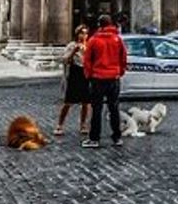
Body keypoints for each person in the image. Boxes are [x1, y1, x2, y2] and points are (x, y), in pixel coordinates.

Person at [83, 14, 127, 149]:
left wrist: (89, 75)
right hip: (113, 78)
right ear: (110, 24)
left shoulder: (94, 40)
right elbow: (123, 58)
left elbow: (87, 60)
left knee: (97, 109)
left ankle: (94, 138)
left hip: (98, 78)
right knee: (114, 108)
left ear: (99, 25)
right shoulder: (117, 39)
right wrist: (119, 72)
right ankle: (117, 137)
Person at [54, 25, 91, 136]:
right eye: (81, 33)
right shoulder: (72, 45)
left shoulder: (89, 46)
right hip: (75, 73)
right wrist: (74, 51)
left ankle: (83, 125)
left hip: (85, 73)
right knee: (68, 101)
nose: (83, 35)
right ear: (77, 34)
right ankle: (60, 125)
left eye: (85, 33)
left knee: (86, 102)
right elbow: (65, 60)